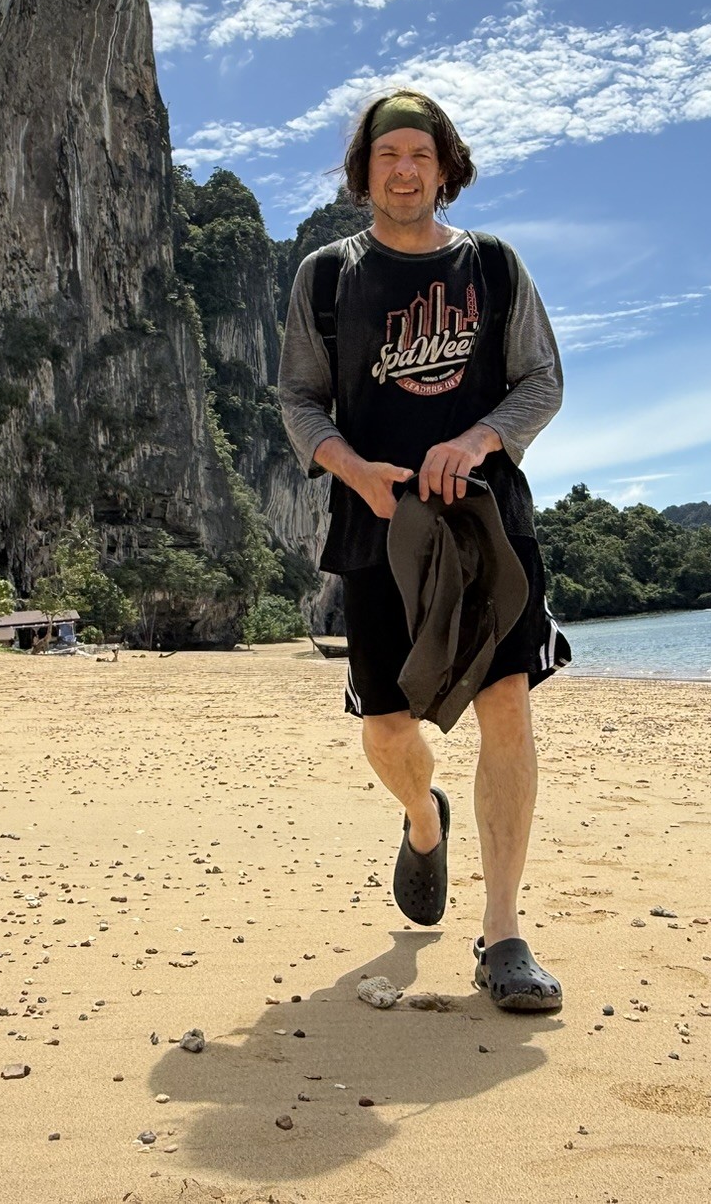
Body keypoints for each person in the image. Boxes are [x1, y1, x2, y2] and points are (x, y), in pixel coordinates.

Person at [277, 89, 568, 1012]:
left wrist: (475, 440)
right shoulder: (328, 276)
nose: (404, 169)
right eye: (386, 154)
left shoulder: (493, 266)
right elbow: (298, 400)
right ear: (363, 170)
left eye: (421, 153)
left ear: (446, 167)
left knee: (507, 712)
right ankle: (421, 818)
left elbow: (540, 383)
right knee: (389, 728)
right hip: (375, 530)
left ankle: (506, 932)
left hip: (488, 525)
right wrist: (353, 468)